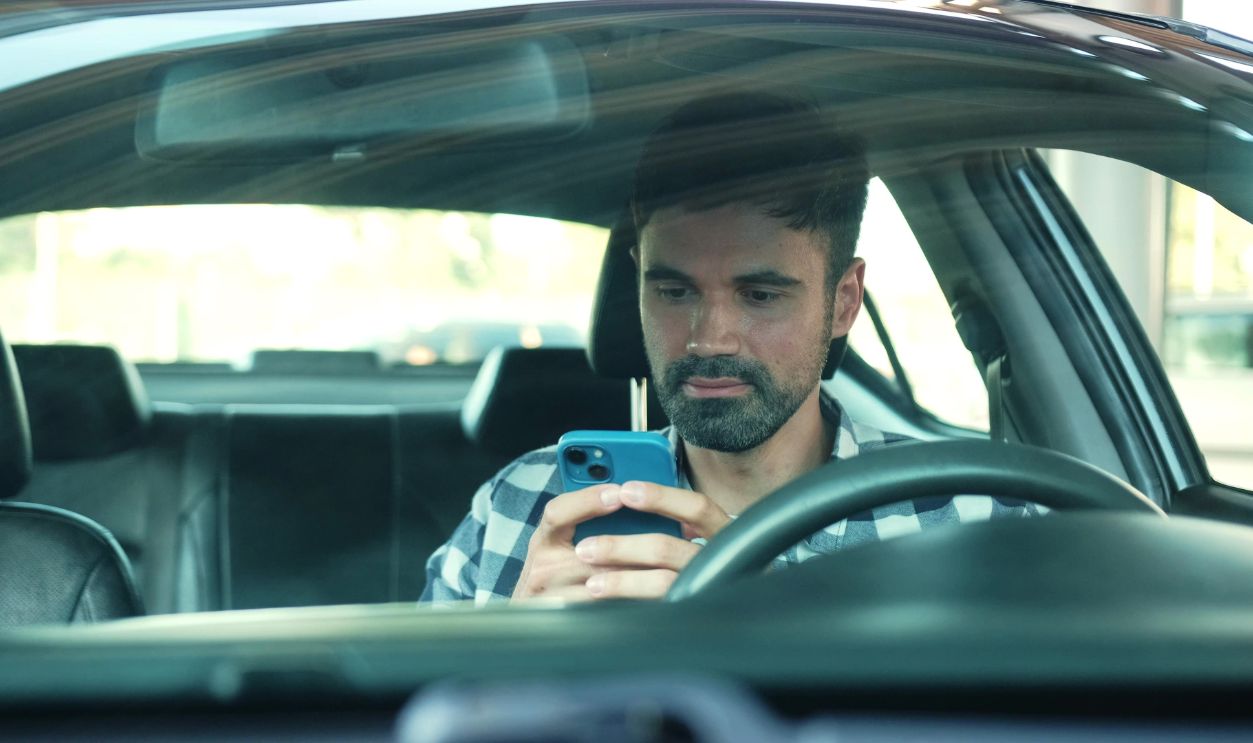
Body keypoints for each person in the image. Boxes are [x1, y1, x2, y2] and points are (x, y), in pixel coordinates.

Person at [421, 92, 1036, 605]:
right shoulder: (522, 509)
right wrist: (512, 661)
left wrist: (777, 632)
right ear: (635, 284)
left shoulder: (973, 519)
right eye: (672, 290)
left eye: (761, 295)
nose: (707, 338)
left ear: (844, 301)